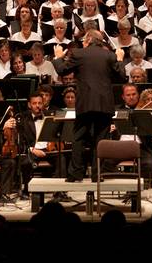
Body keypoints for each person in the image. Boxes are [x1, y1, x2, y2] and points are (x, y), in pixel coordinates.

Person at [53, 29, 125, 181]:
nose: (83, 43)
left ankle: (75, 174)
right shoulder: (109, 55)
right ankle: (97, 174)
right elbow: (122, 76)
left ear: (89, 40)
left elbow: (61, 70)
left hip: (85, 102)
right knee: (101, 140)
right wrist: (119, 58)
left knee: (79, 138)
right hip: (104, 104)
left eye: (84, 41)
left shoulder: (79, 54)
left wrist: (58, 57)